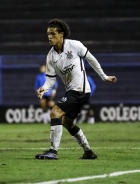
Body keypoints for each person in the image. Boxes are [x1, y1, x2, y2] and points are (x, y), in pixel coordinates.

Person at [35, 19, 117, 160]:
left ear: (61, 34)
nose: (49, 37)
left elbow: (91, 59)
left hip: (80, 89)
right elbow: (50, 79)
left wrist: (104, 77)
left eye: (53, 33)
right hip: (73, 91)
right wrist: (44, 88)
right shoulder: (50, 56)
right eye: (48, 34)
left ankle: (53, 152)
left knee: (55, 112)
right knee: (67, 122)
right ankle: (88, 152)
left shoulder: (74, 45)